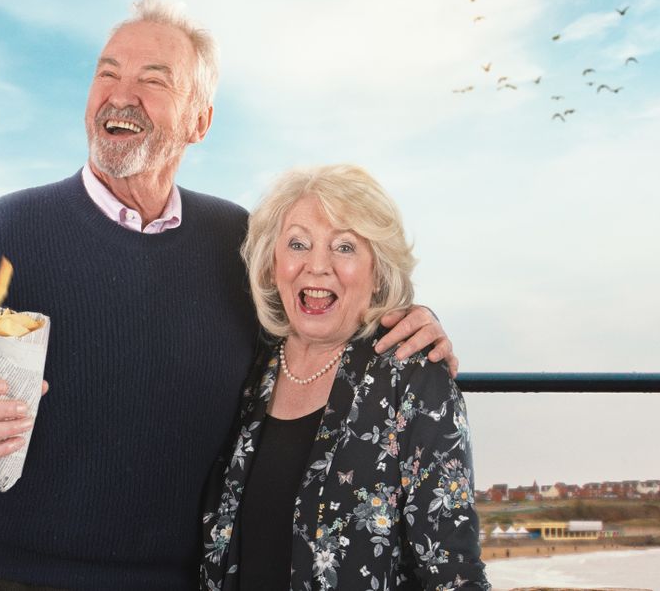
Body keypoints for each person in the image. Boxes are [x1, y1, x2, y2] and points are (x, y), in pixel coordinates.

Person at [0, 0, 459, 591]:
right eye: (107, 73)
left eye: (153, 79)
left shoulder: (240, 242)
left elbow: (321, 313)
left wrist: (405, 318)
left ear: (200, 121)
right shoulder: (2, 231)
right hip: (16, 579)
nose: (122, 95)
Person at [201, 165, 488, 590]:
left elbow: (453, 572)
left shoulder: (411, 376)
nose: (317, 266)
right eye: (298, 244)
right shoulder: (247, 366)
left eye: (344, 247)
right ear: (271, 264)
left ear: (378, 273)